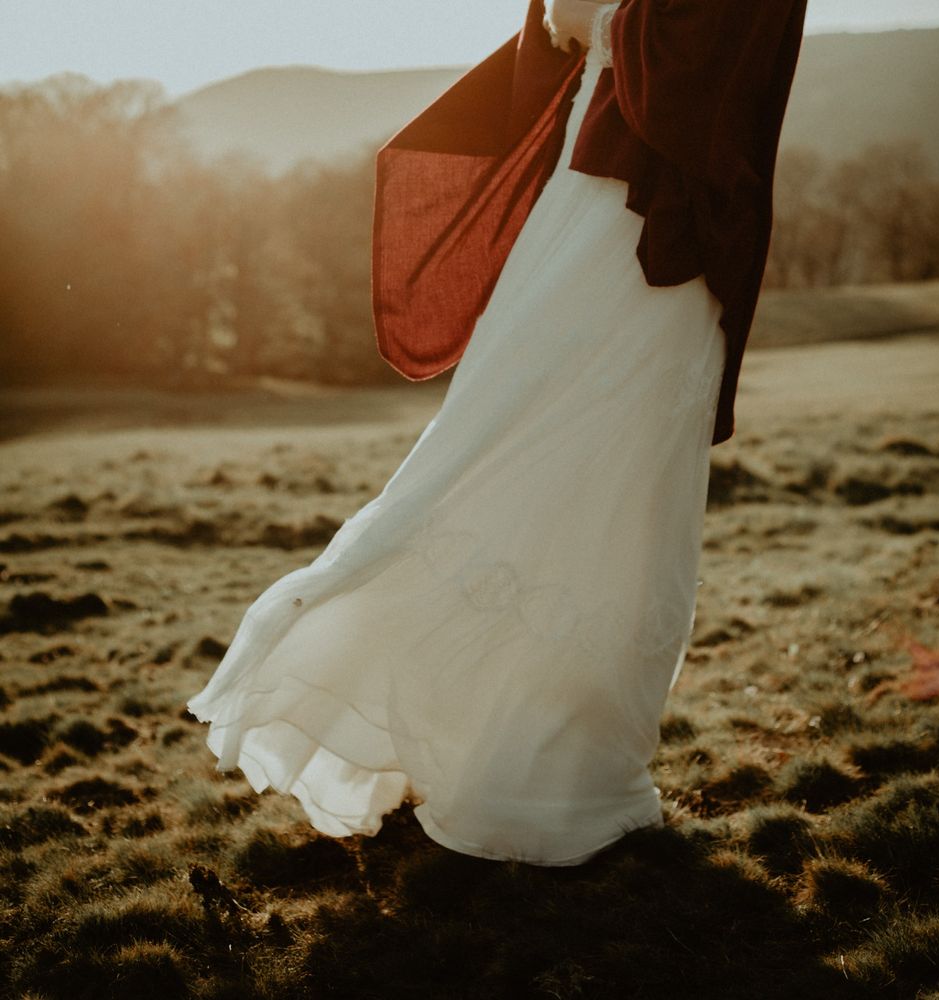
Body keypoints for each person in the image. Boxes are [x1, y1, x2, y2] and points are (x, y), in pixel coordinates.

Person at [187, 0, 807, 866]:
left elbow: (708, 60)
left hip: (648, 226)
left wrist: (601, 17)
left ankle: (562, 764)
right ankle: (467, 735)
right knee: (506, 450)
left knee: (615, 492)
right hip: (586, 212)